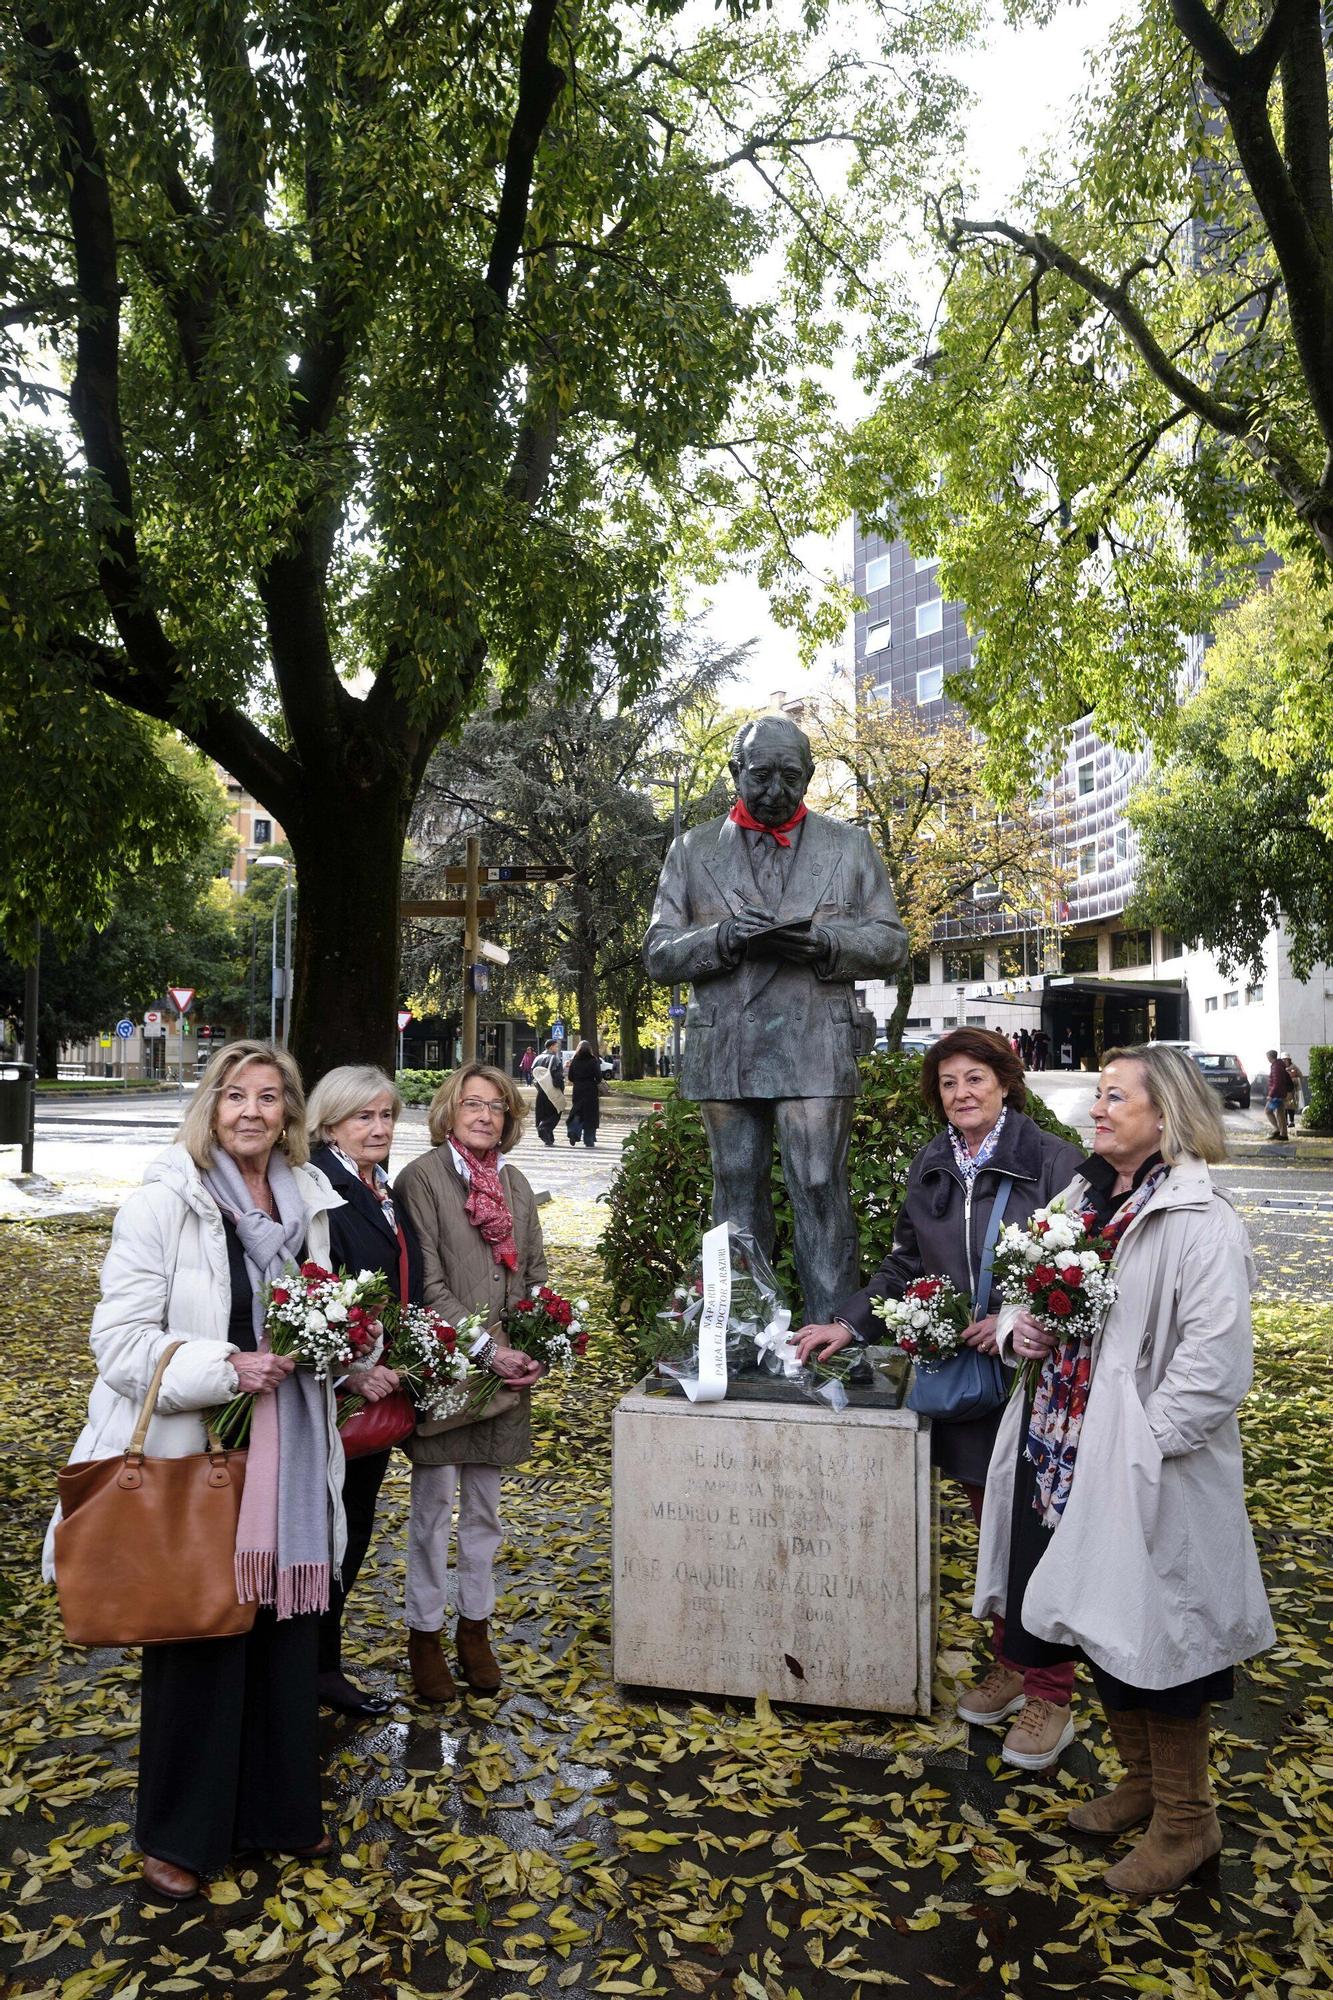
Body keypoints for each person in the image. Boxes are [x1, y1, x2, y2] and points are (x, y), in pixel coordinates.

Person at [43, 1041, 345, 1900]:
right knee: (201, 1635)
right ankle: (181, 1831)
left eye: (268, 1096)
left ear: (288, 1113)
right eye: (234, 1095)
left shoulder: (307, 1201)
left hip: (289, 1454)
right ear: (209, 1108)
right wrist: (227, 1367)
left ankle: (278, 1811)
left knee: (283, 1633)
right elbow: (118, 1344)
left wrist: (350, 1352)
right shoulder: (164, 1202)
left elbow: (313, 1315)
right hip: (194, 1452)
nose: (251, 1111)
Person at [975, 1045, 1274, 1894]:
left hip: (1143, 1473)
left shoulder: (1199, 1220)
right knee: (1096, 1627)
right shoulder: (1078, 1199)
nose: (1094, 1110)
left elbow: (1212, 1368)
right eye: (1096, 1095)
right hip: (1056, 1458)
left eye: (1113, 1097)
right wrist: (1021, 1327)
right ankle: (1142, 1787)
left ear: (1164, 1113)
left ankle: (1186, 1822)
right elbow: (1027, 1295)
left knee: (1160, 1644)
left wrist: (1137, 1450)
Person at [796, 1028, 1084, 1769]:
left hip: (1036, 1385)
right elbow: (901, 1266)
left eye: (975, 1078)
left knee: (1036, 1534)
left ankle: (1051, 1693)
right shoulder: (933, 1164)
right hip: (964, 1387)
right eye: (948, 1083)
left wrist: (1018, 1318)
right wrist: (846, 1324)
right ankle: (1012, 1665)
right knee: (993, 1533)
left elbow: (1084, 1269)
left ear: (1005, 1082)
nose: (962, 1093)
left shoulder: (1053, 1161)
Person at [644, 714, 907, 1320]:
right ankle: (738, 1335)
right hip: (727, 1045)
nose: (776, 790)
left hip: (815, 1041)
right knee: (735, 1186)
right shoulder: (692, 850)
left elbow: (891, 942)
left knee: (818, 1184)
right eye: (761, 775)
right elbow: (658, 953)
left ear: (810, 775)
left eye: (792, 777)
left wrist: (828, 943)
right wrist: (723, 938)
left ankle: (831, 1338)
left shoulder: (849, 846)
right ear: (735, 771)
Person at [394, 1064, 548, 1700]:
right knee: (432, 1513)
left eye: (498, 1106)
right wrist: (487, 1349)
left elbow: (535, 1275)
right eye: (473, 1104)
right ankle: (424, 1635)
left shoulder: (514, 1182)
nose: (486, 1116)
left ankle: (475, 1629)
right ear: (449, 1112)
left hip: (506, 1379)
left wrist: (540, 1342)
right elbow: (424, 1285)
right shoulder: (421, 1179)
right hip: (448, 1369)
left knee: (485, 1513)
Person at [306, 1065, 424, 1716]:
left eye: (386, 1116)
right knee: (326, 1535)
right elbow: (307, 1287)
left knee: (353, 1529)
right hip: (329, 1394)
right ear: (329, 1125)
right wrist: (348, 1369)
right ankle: (311, 1671)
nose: (379, 1128)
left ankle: (321, 1666)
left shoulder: (381, 1186)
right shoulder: (319, 1186)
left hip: (378, 1392)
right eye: (363, 1117)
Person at [566, 1038, 601, 1148]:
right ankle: (589, 1139)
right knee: (590, 1114)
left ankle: (574, 1130)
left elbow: (570, 1077)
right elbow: (599, 1077)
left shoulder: (574, 1061)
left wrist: (578, 1081)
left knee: (577, 1111)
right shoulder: (593, 1061)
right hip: (590, 1090)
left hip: (578, 1089)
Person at [530, 1039, 565, 1145]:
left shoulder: (537, 1058)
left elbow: (533, 1074)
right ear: (551, 1047)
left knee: (542, 1113)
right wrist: (560, 1088)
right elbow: (558, 1077)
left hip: (541, 1091)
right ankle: (544, 1128)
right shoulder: (554, 1059)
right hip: (552, 1090)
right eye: (556, 1046)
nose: (557, 1048)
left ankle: (548, 1138)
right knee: (556, 1112)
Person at [1263, 1048, 1289, 1140]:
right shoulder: (1279, 1065)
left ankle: (1278, 1130)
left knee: (1268, 1111)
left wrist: (1271, 1094)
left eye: (1267, 1057)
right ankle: (1283, 1134)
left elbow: (1276, 1082)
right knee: (1280, 1113)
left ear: (1270, 1057)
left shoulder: (1275, 1067)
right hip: (1281, 1092)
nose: (1267, 1059)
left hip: (1277, 1094)